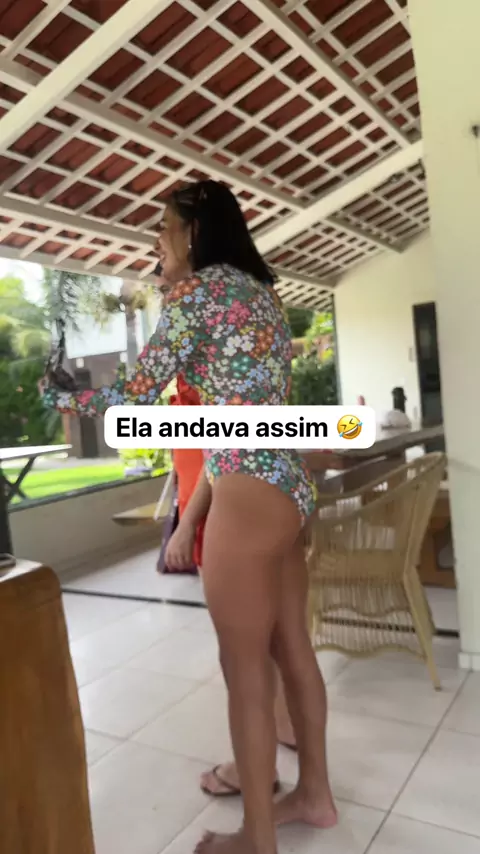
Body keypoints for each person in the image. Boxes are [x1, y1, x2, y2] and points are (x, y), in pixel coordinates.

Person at [40, 180, 336, 854]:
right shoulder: (264, 295)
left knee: (245, 671)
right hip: (289, 484)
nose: (157, 240)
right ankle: (315, 796)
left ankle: (257, 837)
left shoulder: (196, 295)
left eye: (164, 226)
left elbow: (136, 394)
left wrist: (65, 394)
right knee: (293, 648)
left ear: (195, 231)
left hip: (245, 490)